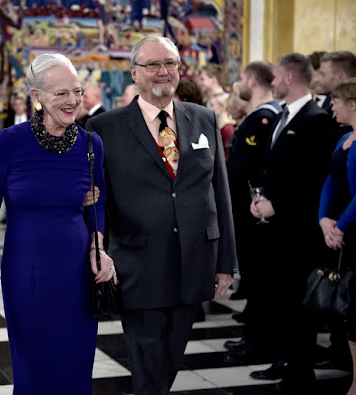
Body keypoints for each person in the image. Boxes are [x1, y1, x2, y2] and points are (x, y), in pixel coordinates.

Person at [87, 37, 236, 394]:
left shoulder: (203, 118)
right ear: (135, 73)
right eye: (152, 64)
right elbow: (96, 201)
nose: (162, 71)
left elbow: (220, 193)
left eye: (169, 62)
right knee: (147, 358)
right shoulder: (104, 128)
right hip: (138, 263)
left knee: (170, 356)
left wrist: (226, 262)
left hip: (194, 261)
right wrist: (96, 249)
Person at [0, 53, 116, 394]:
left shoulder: (91, 144)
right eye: (61, 93)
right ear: (37, 97)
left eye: (76, 91)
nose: (72, 100)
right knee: (33, 364)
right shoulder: (10, 141)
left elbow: (99, 203)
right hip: (26, 272)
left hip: (77, 273)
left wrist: (99, 248)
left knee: (75, 364)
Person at [250, 53, 335, 393]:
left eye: (275, 76)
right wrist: (261, 198)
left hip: (298, 229)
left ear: (287, 78)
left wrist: (277, 204)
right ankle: (286, 363)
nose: (271, 81)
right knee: (281, 298)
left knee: (298, 303)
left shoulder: (316, 119)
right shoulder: (286, 115)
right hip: (277, 226)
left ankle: (300, 372)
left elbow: (313, 177)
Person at [223, 61, 282, 363]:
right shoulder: (259, 115)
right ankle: (252, 336)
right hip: (245, 207)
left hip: (253, 208)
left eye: (243, 78)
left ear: (253, 80)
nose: (240, 84)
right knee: (254, 276)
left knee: (259, 279)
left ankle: (258, 341)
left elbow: (245, 165)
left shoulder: (264, 117)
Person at [318, 79, 356, 395]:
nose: (332, 106)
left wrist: (340, 224)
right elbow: (330, 180)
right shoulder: (344, 137)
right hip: (340, 232)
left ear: (353, 103)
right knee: (348, 309)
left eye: (337, 101)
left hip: (352, 231)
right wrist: (323, 219)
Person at [209, 92, 235, 157]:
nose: (209, 107)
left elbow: (227, 153)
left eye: (212, 105)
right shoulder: (217, 125)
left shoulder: (227, 129)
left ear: (222, 107)